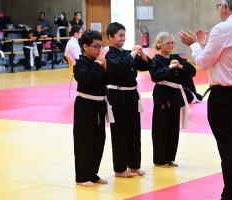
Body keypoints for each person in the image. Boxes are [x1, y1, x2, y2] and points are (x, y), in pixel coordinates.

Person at [179, 0, 232, 199]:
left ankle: (231, 194)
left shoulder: (221, 29)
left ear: (223, 7)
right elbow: (230, 56)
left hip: (224, 95)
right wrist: (207, 45)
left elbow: (204, 62)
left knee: (228, 146)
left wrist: (195, 46)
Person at [105, 22, 151, 178]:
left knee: (134, 132)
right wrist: (132, 54)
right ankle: (119, 169)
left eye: (124, 35)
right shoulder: (110, 54)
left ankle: (134, 165)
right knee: (120, 134)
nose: (123, 38)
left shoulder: (126, 52)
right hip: (118, 97)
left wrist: (141, 53)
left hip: (131, 96)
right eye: (120, 36)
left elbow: (145, 66)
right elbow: (121, 67)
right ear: (110, 37)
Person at [150, 32, 196, 168]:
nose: (171, 45)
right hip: (162, 95)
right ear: (159, 44)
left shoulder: (178, 57)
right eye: (168, 43)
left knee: (173, 129)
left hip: (175, 95)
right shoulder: (156, 60)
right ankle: (159, 160)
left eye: (172, 43)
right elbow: (155, 76)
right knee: (161, 128)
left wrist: (180, 66)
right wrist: (169, 67)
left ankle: (169, 158)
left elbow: (192, 71)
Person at [73, 29, 108, 187]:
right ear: (85, 46)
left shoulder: (99, 62)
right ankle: (82, 176)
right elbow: (87, 79)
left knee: (98, 141)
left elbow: (109, 80)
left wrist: (105, 66)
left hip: (100, 105)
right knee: (84, 142)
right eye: (96, 46)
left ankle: (93, 173)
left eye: (100, 46)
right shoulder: (80, 64)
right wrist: (98, 64)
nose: (99, 50)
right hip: (85, 105)